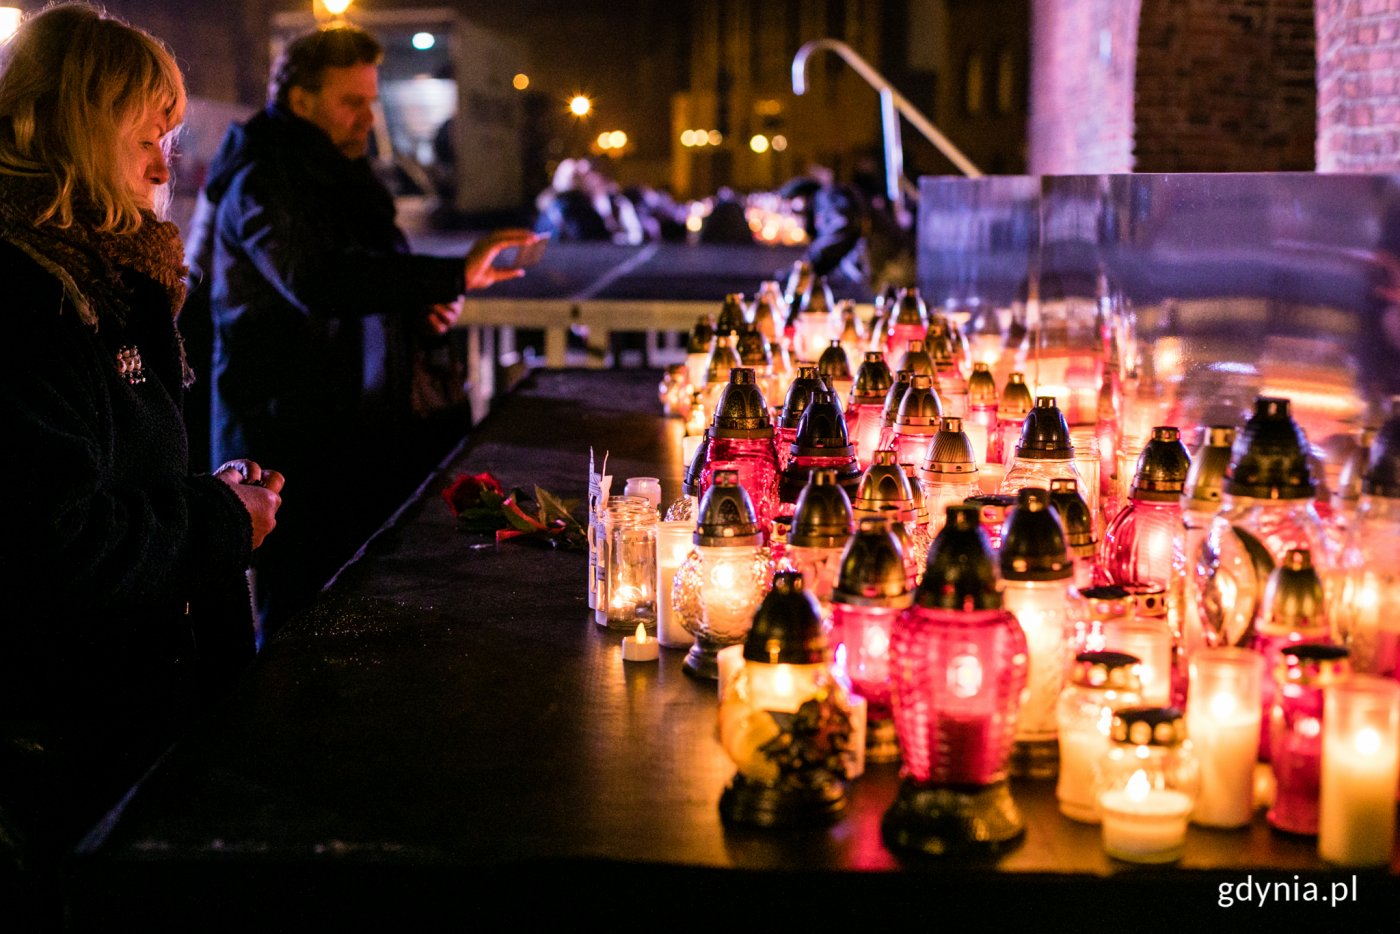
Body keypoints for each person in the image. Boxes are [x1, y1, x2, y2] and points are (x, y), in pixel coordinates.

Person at [0, 2, 283, 883]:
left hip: (113, 711)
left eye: (170, 136)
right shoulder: (29, 296)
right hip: (60, 743)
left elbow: (110, 473)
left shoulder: (107, 269)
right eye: (146, 138)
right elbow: (49, 543)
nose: (168, 164)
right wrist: (219, 518)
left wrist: (209, 494)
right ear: (78, 131)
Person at [199, 24, 536, 633]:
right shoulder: (264, 178)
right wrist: (449, 273)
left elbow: (367, 278)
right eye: (351, 101)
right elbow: (316, 280)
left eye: (371, 99)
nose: (367, 115)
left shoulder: (341, 177)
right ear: (300, 101)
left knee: (354, 608)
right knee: (300, 615)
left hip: (351, 432)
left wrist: (420, 311)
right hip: (290, 443)